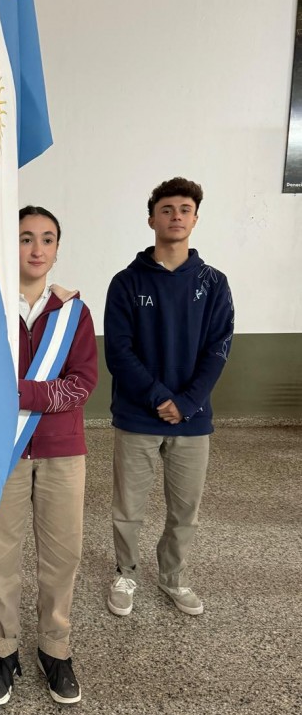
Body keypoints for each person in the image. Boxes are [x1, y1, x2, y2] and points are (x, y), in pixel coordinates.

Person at [0, 205, 98, 706]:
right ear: (14, 245)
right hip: (0, 451)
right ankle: (4, 649)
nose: (36, 248)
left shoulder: (74, 312)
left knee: (62, 555)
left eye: (47, 239)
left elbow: (82, 384)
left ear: (56, 249)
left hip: (62, 451)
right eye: (26, 237)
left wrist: (21, 394)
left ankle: (55, 647)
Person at [104, 177, 234, 617]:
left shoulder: (214, 283)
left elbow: (218, 348)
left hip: (192, 419)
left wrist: (187, 402)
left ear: (195, 219)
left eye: (184, 209)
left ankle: (173, 578)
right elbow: (118, 352)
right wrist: (161, 397)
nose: (176, 216)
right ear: (151, 219)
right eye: (167, 209)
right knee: (129, 507)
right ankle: (125, 574)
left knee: (185, 509)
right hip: (137, 416)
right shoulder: (125, 282)